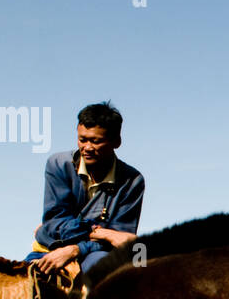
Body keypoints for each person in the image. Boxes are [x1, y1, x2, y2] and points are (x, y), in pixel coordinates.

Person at [26, 102, 145, 279]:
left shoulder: (132, 181)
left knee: (105, 275)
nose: (87, 148)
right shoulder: (58, 165)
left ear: (116, 141)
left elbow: (121, 241)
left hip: (97, 254)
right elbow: (54, 224)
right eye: (83, 139)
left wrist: (76, 249)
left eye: (96, 141)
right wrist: (101, 232)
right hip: (50, 248)